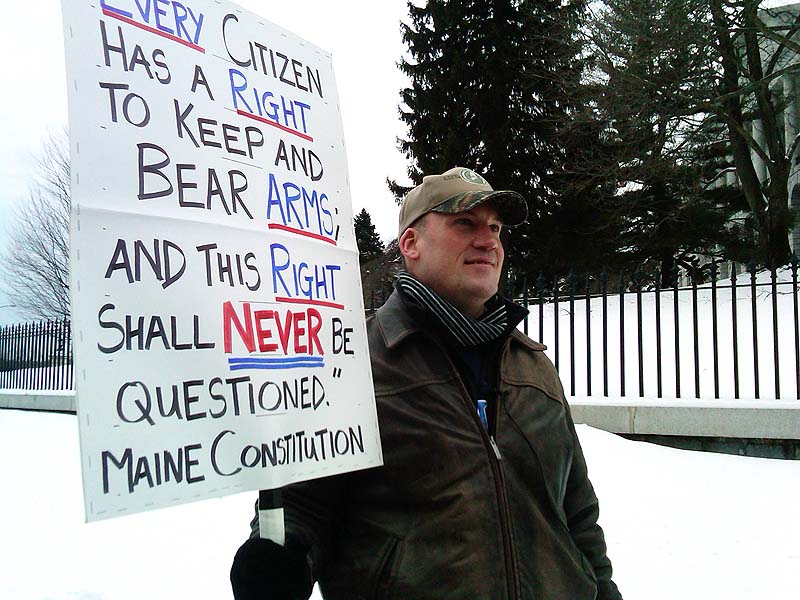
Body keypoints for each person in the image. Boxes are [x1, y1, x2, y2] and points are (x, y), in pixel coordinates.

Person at [230, 167, 622, 599]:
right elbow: (302, 508)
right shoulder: (353, 364)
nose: (488, 240)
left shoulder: (533, 366)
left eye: (494, 227)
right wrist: (281, 561)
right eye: (464, 223)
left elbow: (577, 515)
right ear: (411, 244)